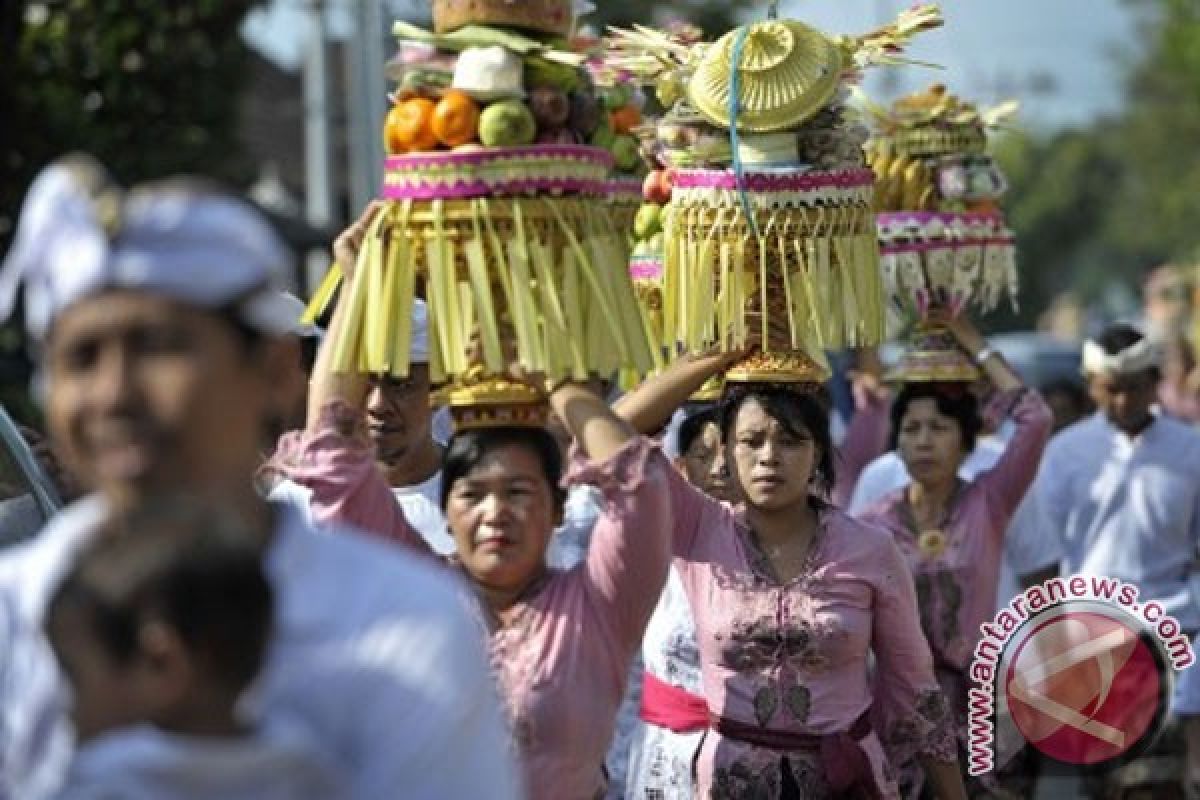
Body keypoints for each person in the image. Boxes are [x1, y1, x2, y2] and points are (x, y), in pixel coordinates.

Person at [0, 156, 520, 800]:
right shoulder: (14, 616)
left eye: (159, 347)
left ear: (274, 374)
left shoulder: (400, 627)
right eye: (80, 357)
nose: (113, 394)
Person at [269, 203, 673, 799]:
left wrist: (554, 381)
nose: (495, 514)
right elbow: (330, 450)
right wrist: (356, 291)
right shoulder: (424, 587)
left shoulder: (597, 607)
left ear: (557, 511)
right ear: (446, 511)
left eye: (518, 493)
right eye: (473, 495)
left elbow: (640, 485)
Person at [612, 351, 966, 800]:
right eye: (752, 441)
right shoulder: (698, 527)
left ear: (818, 450)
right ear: (726, 450)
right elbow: (614, 431)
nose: (769, 457)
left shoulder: (870, 549)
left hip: (845, 782)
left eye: (790, 441)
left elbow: (916, 691)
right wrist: (719, 356)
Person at [854, 317, 1053, 795]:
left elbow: (1036, 418)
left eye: (939, 428)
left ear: (966, 441)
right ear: (897, 441)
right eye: (912, 428)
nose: (924, 440)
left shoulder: (989, 502)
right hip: (897, 711)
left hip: (986, 708)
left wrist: (967, 337)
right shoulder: (872, 522)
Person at [48, 497, 344, 800]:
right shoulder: (314, 770)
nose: (64, 703)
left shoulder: (102, 786)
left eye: (72, 674)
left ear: (161, 662)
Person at [1036, 323, 1200, 797]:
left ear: (1154, 382)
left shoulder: (1191, 450)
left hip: (1174, 629)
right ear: (1093, 387)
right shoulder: (1064, 454)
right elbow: (1044, 556)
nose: (1124, 401)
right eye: (1111, 390)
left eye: (1134, 388)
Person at [268, 289, 454, 554]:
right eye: (363, 384)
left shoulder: (476, 495)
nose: (377, 405)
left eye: (400, 385)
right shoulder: (296, 502)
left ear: (437, 389)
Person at [624, 405, 731, 800]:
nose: (721, 468)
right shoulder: (656, 540)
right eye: (705, 456)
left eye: (732, 452)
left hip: (749, 753)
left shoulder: (782, 546)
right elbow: (620, 433)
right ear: (682, 469)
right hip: (666, 749)